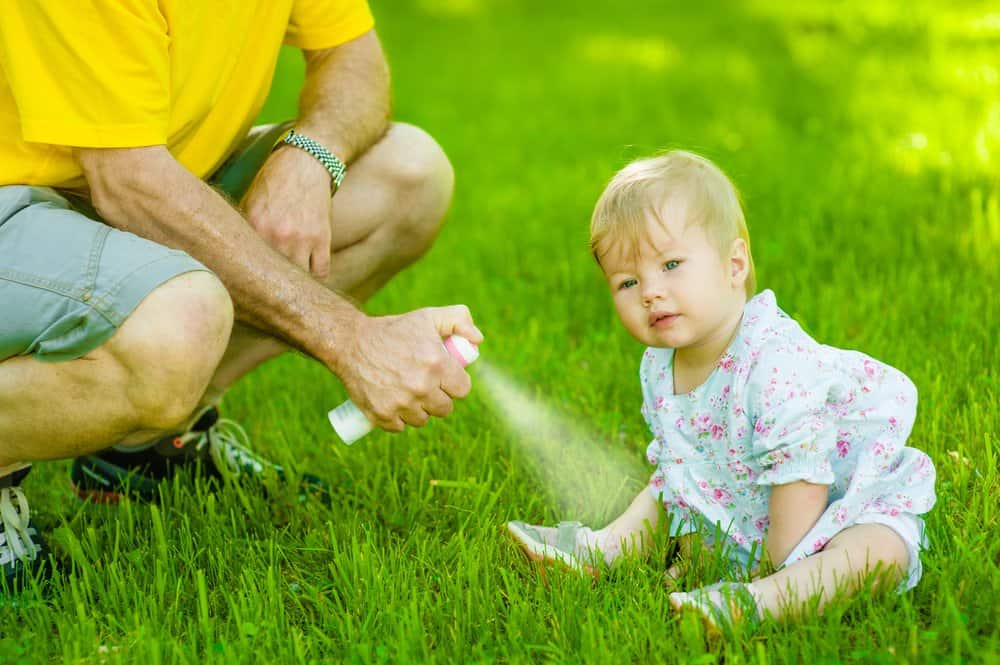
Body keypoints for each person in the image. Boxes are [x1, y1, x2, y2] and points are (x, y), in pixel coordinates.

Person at [0, 1, 483, 588]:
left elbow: (353, 57)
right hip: (20, 196)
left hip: (136, 180)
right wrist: (352, 339)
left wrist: (311, 155)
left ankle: (146, 447)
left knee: (407, 174)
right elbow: (128, 181)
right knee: (181, 322)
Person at [506, 151, 935, 632]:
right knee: (665, 484)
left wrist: (760, 567)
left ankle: (759, 601)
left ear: (734, 266)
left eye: (671, 264)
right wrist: (700, 546)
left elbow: (802, 485)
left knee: (879, 551)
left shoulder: (774, 364)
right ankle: (605, 548)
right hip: (747, 491)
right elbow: (690, 471)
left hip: (835, 498)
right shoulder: (659, 364)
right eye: (628, 281)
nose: (650, 291)